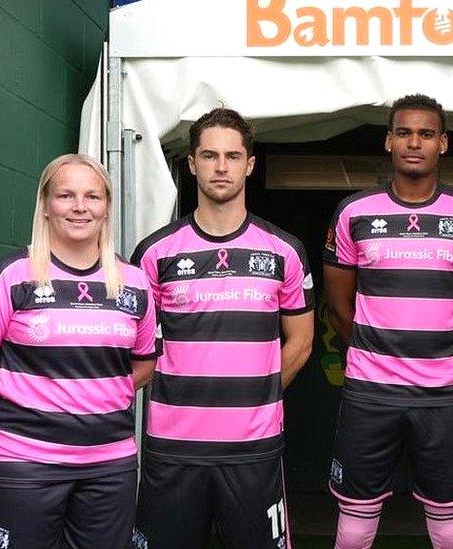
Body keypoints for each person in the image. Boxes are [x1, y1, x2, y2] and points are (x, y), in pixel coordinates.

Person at [0, 153, 158, 549]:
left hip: (109, 466)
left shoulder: (135, 283)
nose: (80, 206)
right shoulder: (12, 275)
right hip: (24, 463)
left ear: (106, 207)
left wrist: (94, 398)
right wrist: (21, 403)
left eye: (92, 196)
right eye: (66, 195)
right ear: (45, 205)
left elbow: (144, 364)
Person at [323, 94, 453, 549]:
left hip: (443, 393)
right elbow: (338, 305)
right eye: (404, 132)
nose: (414, 143)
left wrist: (450, 358)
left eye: (426, 134)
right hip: (369, 390)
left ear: (443, 143)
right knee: (356, 511)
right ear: (388, 141)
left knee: (448, 513)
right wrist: (371, 352)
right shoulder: (353, 212)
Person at [130, 108, 315, 548]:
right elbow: (137, 350)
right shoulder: (154, 252)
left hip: (254, 448)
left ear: (249, 164)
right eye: (209, 155)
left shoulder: (283, 250)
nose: (221, 166)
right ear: (191, 163)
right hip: (172, 448)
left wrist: (256, 396)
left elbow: (302, 343)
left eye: (232, 156)